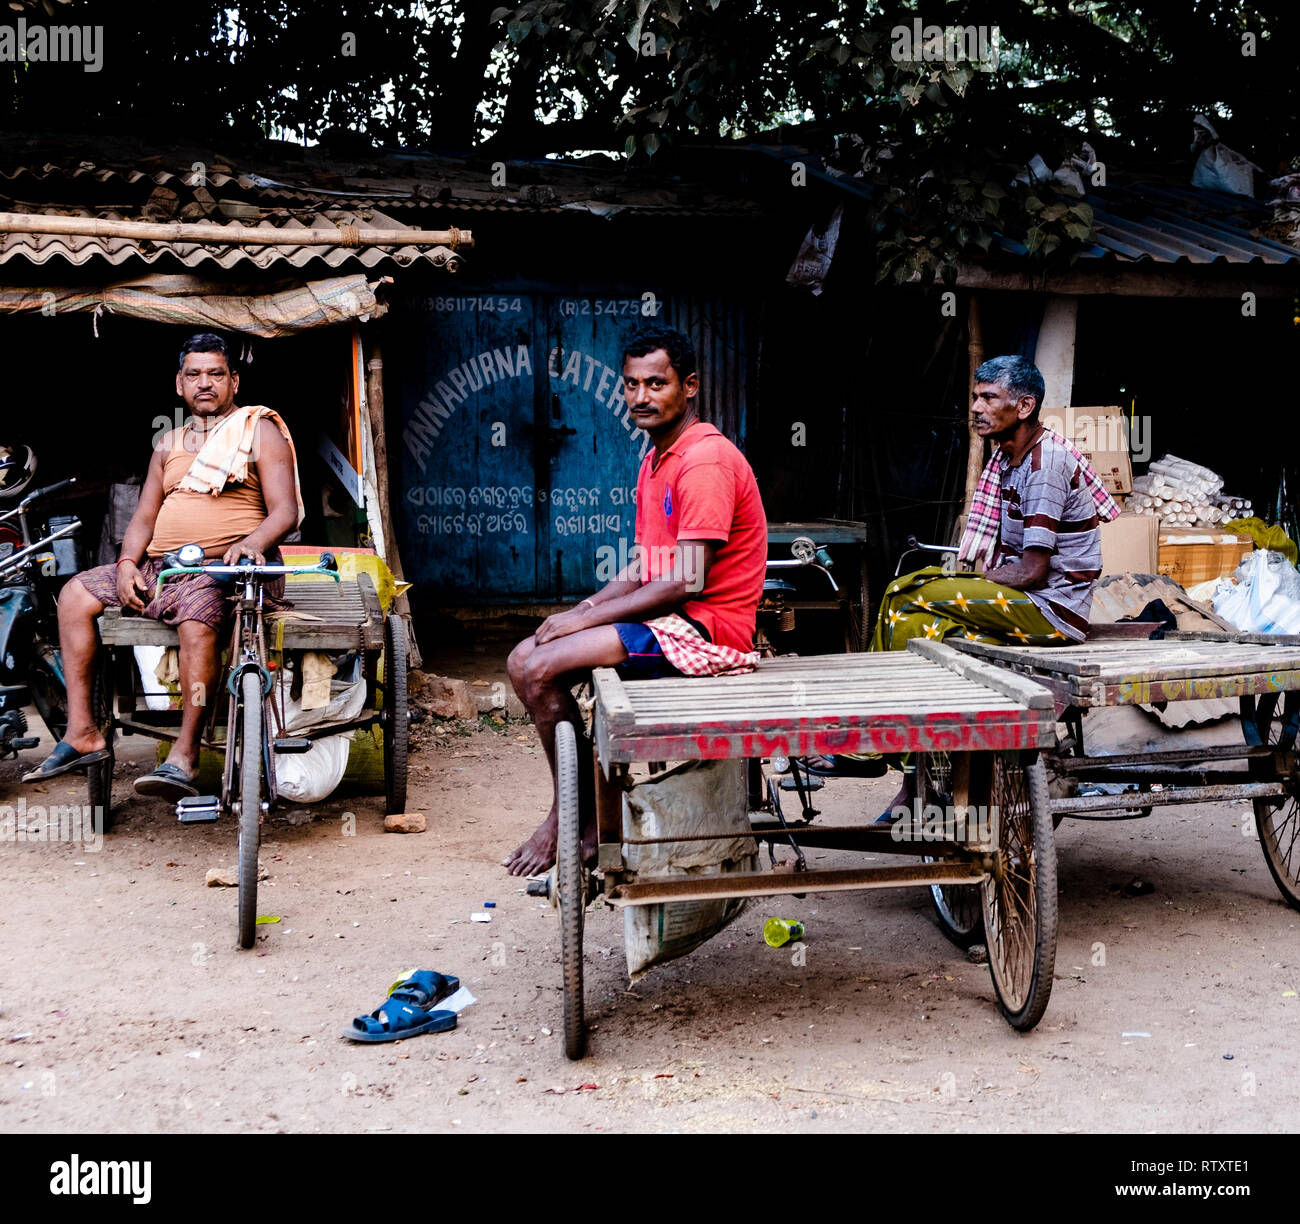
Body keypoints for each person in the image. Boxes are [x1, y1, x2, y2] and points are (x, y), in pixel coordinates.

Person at [503, 325, 767, 877]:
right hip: (669, 617)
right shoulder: (655, 459)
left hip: (705, 631)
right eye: (630, 385)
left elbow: (687, 579)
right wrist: (578, 612)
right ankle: (581, 811)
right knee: (522, 659)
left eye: (656, 383)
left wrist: (589, 619)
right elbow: (644, 566)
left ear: (689, 387)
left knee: (543, 663)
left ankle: (577, 819)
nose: (640, 397)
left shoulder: (704, 461)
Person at [23, 333, 304, 801]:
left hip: (226, 571)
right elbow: (144, 518)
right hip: (165, 568)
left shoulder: (259, 431)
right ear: (179, 384)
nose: (205, 383)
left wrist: (251, 542)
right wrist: (127, 563)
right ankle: (82, 731)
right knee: (74, 594)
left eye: (216, 374)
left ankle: (186, 754)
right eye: (194, 374)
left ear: (234, 381)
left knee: (197, 620)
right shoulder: (168, 443)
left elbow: (284, 512)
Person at [870, 352, 1120, 809]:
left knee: (907, 592)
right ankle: (911, 777)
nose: (977, 408)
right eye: (974, 397)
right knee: (925, 627)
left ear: (1023, 407)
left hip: (1051, 613)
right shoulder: (1010, 458)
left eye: (989, 398)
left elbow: (1031, 571)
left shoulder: (1045, 465)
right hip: (1029, 602)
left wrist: (981, 579)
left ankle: (869, 747)